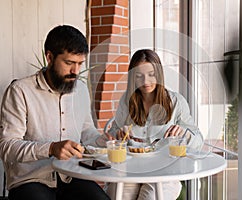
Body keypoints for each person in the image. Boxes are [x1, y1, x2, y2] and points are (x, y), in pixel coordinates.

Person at [0, 25, 110, 200]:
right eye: (69, 63)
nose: (76, 71)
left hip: (71, 176)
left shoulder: (80, 89)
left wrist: (104, 140)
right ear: (50, 57)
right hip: (31, 180)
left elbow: (86, 132)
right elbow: (7, 146)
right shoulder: (20, 91)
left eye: (80, 64)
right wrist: (50, 148)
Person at [106, 49, 203, 200]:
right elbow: (111, 136)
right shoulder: (127, 100)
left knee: (150, 197)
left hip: (166, 172)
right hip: (132, 170)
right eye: (139, 76)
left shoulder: (176, 102)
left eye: (151, 75)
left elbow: (199, 141)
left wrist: (184, 133)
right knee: (116, 194)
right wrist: (118, 135)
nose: (146, 82)